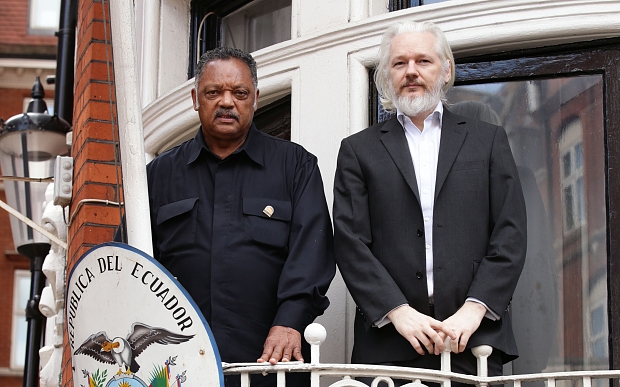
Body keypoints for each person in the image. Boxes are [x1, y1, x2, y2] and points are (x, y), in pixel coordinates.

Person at [332, 21, 527, 384]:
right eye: (399, 63)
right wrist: (398, 312)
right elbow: (350, 241)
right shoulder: (358, 150)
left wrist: (475, 308)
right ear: (386, 77)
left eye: (423, 61)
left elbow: (510, 233)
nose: (411, 72)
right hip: (388, 341)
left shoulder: (487, 140)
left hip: (472, 340)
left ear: (446, 70)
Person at [136, 47, 335, 387]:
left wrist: (291, 321)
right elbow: (135, 265)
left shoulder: (294, 166)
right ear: (196, 99)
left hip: (270, 363)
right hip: (175, 366)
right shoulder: (157, 176)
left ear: (255, 98)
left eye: (239, 93)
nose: (227, 102)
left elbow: (312, 252)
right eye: (213, 92)